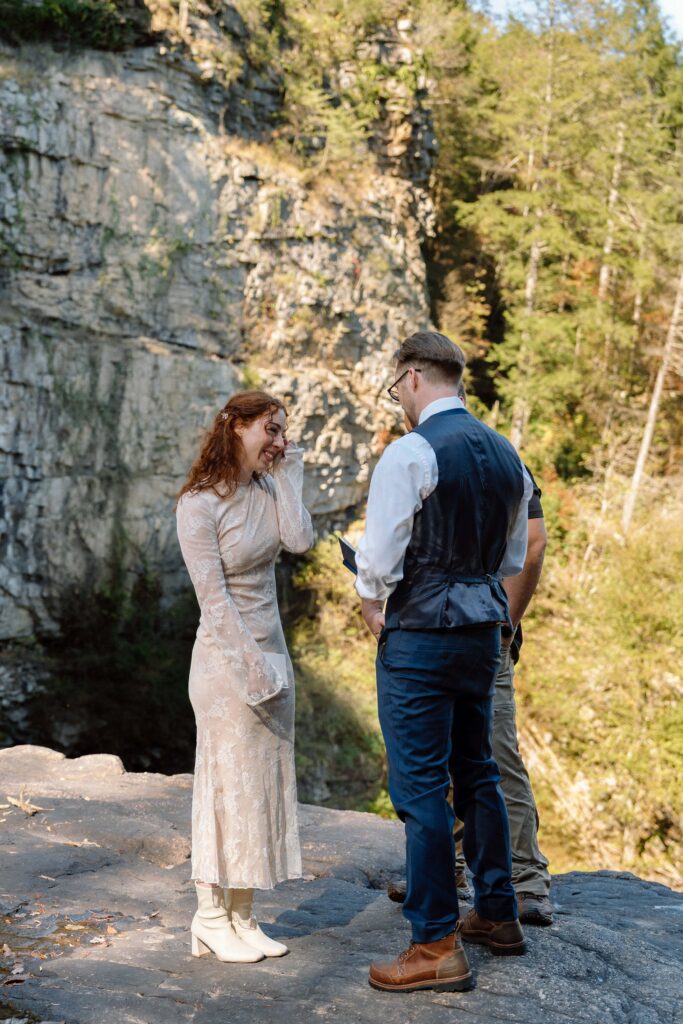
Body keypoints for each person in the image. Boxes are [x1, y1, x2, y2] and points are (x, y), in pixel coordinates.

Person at [356, 331, 532, 994]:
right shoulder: (507, 454)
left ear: (410, 379)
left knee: (420, 788)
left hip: (422, 631)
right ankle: (496, 912)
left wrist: (372, 604)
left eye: (395, 387)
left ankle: (433, 943)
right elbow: (511, 559)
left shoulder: (411, 451)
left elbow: (377, 558)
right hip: (481, 630)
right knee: (477, 770)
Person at [388, 383, 553, 925]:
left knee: (489, 757)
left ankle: (525, 881)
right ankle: (461, 875)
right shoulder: (475, 453)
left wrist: (506, 623)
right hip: (461, 622)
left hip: (476, 627)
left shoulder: (486, 455)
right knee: (465, 758)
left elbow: (530, 546)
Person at [175, 391, 314, 963]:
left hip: (273, 651)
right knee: (225, 784)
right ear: (234, 427)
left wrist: (287, 476)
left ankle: (243, 916)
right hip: (225, 662)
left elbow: (300, 540)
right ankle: (209, 917)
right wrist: (252, 670)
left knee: (260, 782)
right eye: (269, 429)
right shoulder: (198, 504)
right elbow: (213, 600)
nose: (279, 440)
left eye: (283, 430)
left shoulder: (264, 487)